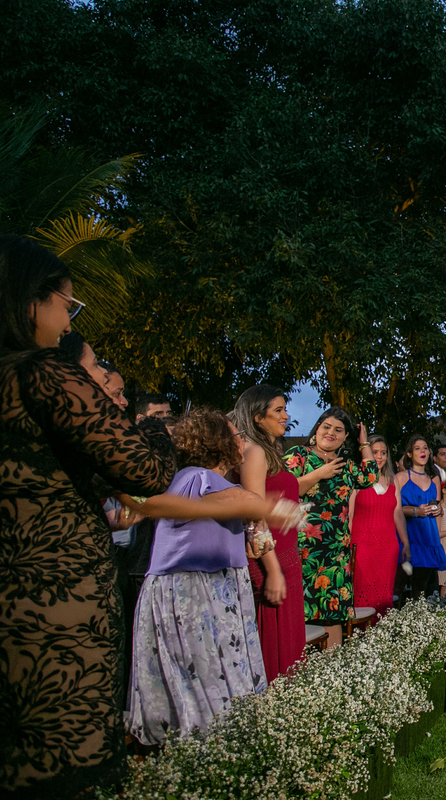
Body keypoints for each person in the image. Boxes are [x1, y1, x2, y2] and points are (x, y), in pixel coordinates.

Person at [0, 236, 178, 795]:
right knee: (66, 770)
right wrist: (160, 428)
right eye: (66, 305)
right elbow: (147, 472)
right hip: (55, 612)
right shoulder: (42, 371)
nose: (67, 321)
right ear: (32, 300)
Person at [126, 409, 271, 744]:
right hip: (194, 590)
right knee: (203, 677)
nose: (243, 443)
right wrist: (259, 507)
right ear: (218, 443)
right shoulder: (197, 476)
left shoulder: (209, 481)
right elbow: (243, 500)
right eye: (237, 436)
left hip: (214, 585)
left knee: (213, 676)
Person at [229, 385, 306, 683]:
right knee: (275, 649)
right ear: (258, 417)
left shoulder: (265, 451)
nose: (286, 416)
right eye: (279, 410)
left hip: (286, 555)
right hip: (270, 560)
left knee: (289, 646)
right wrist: (273, 571)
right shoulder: (253, 451)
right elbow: (254, 517)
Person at [285, 408, 378, 648]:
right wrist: (319, 474)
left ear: (345, 436)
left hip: (335, 552)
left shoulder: (346, 465)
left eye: (338, 430)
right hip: (301, 549)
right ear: (317, 429)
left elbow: (370, 476)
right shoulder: (299, 455)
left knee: (331, 611)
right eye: (326, 426)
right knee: (298, 611)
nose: (331, 433)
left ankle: (331, 672)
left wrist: (364, 441)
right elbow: (285, 490)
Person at [347, 434, 402, 617]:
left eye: (383, 453)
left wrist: (406, 543)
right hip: (362, 547)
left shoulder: (393, 481)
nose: (379, 457)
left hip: (388, 548)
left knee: (385, 596)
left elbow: (398, 513)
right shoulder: (357, 479)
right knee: (361, 594)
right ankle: (359, 637)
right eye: (374, 452)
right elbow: (349, 514)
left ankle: (381, 639)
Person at [396, 435, 446, 601]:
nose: (422, 451)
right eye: (417, 448)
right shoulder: (401, 478)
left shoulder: (434, 478)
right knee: (397, 587)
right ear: (410, 454)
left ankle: (416, 623)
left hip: (428, 537)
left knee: (421, 590)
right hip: (409, 536)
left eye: (425, 447)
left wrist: (438, 509)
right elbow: (395, 509)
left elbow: (438, 506)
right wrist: (416, 511)